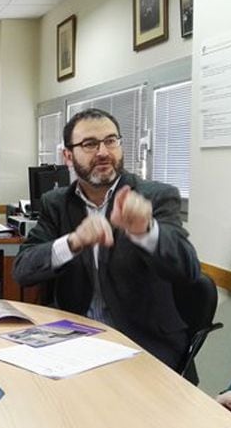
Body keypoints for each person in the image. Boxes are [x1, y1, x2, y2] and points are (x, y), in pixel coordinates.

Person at [12, 108, 200, 370]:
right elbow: (22, 271)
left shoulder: (155, 196)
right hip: (73, 343)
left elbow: (189, 268)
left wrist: (146, 230)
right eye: (89, 144)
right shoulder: (56, 203)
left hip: (141, 345)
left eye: (111, 141)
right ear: (68, 156)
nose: (103, 152)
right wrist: (73, 242)